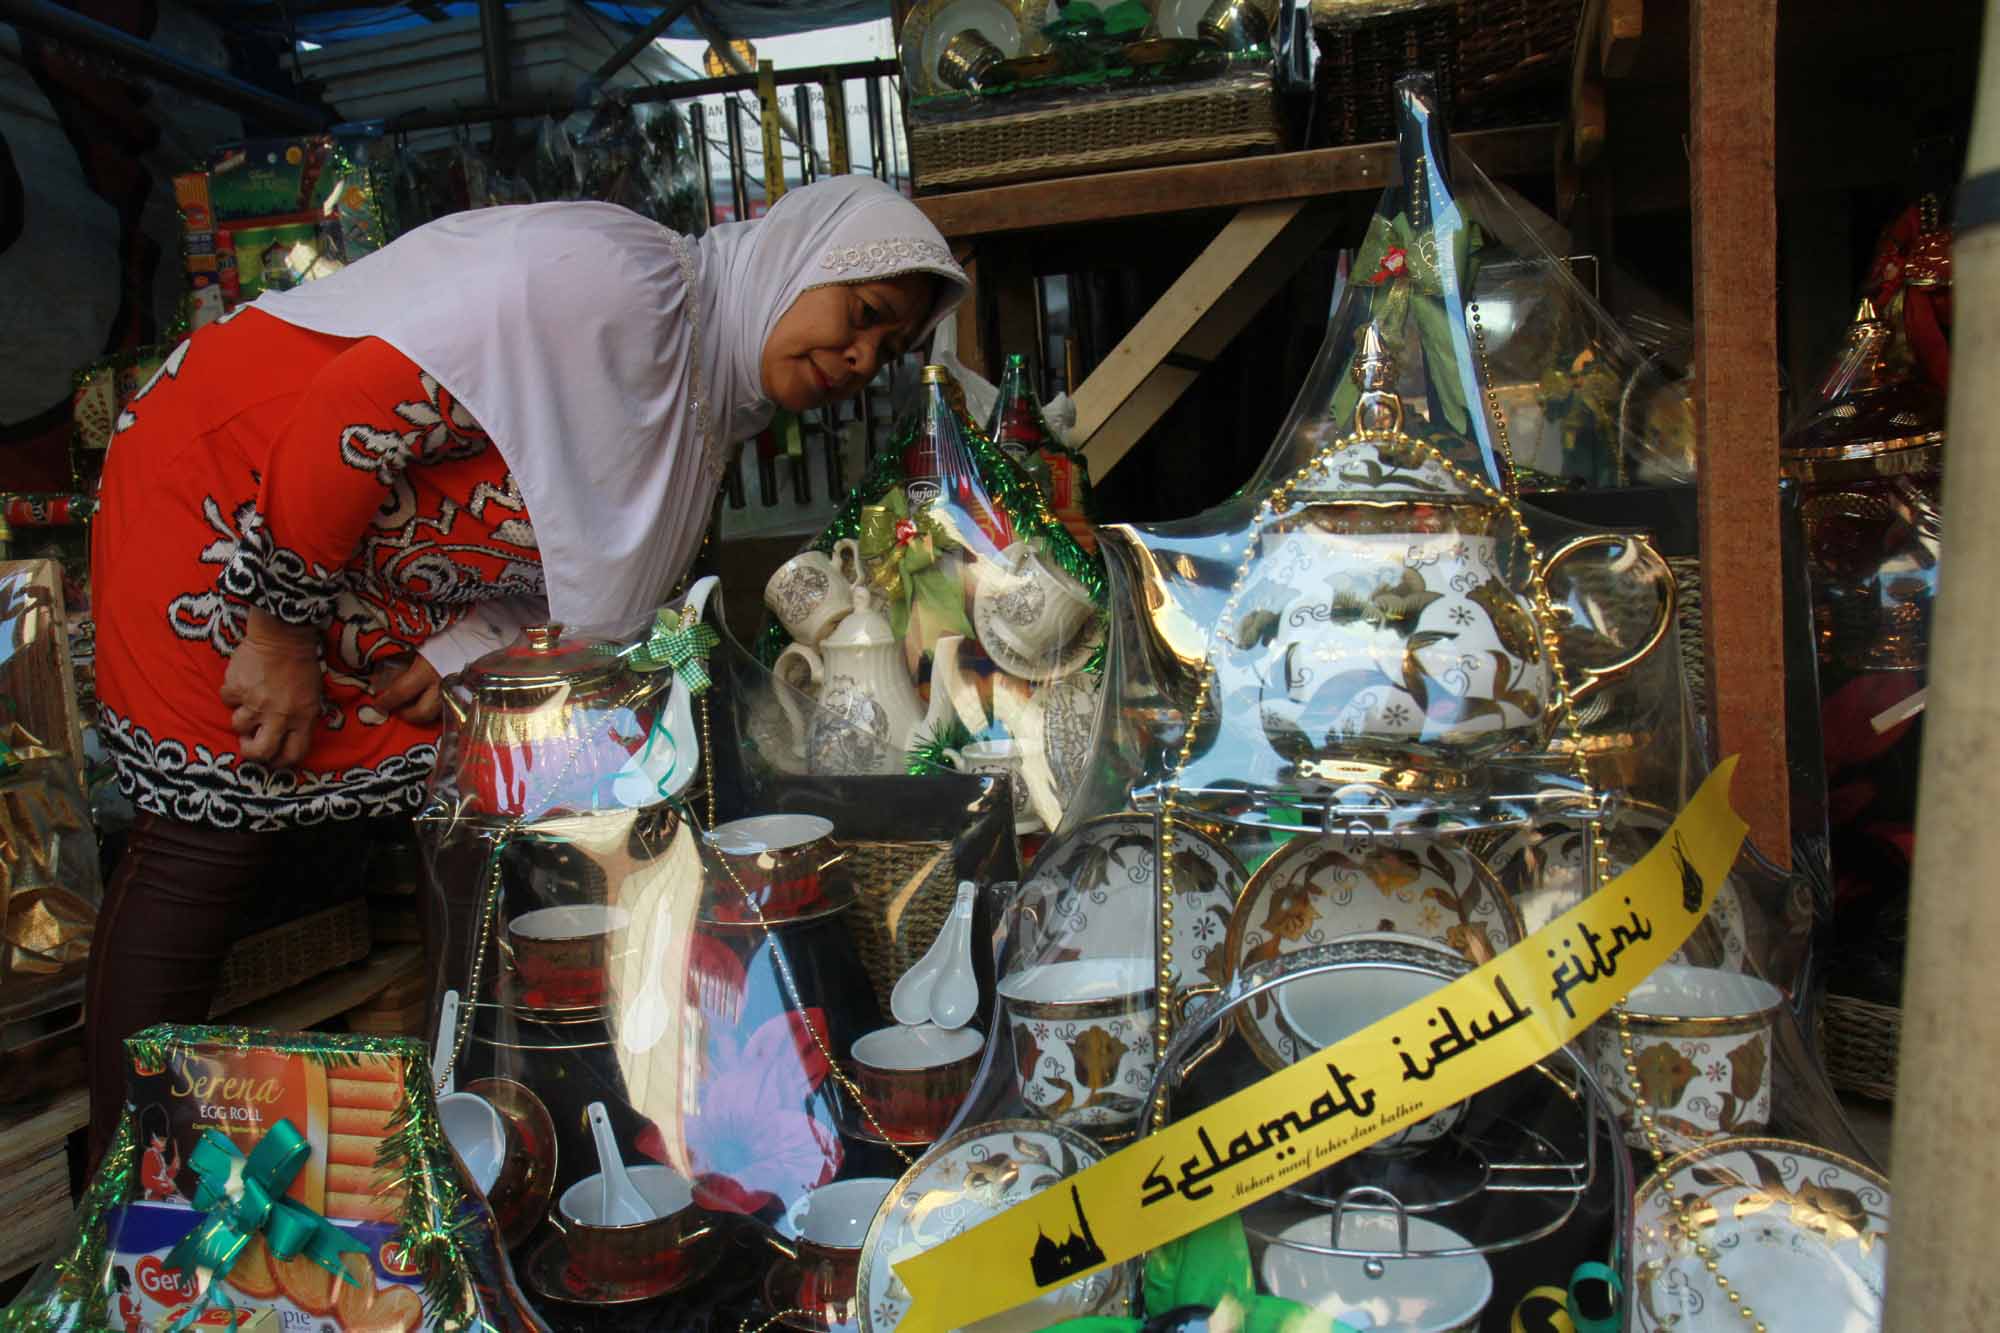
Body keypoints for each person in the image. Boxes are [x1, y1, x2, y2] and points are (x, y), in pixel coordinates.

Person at [85, 176, 967, 1164]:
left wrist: (459, 651)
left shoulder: (702, 409)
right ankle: (133, 1184)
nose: (858, 358)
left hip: (366, 576)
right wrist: (281, 630)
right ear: (801, 262)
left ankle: (458, 1140)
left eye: (885, 352)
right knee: (210, 836)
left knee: (461, 823)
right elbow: (358, 408)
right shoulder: (615, 287)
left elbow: (562, 566)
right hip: (233, 493)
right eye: (863, 315)